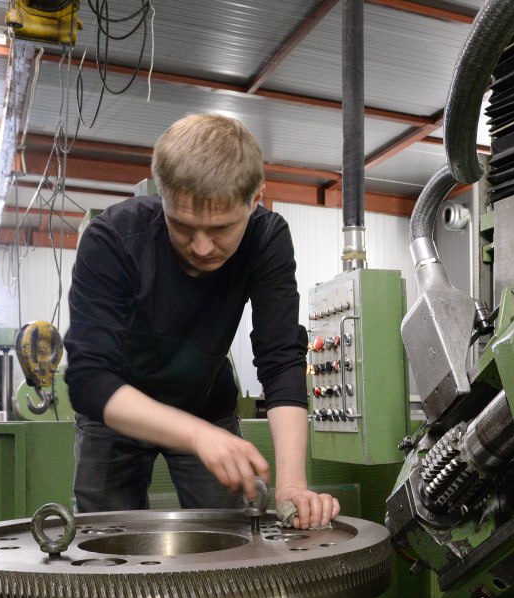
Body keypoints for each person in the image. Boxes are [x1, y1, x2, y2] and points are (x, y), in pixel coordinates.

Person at [64, 113, 339, 528]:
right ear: (162, 194)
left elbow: (281, 357)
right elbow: (90, 379)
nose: (202, 247)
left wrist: (292, 486)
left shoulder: (266, 239)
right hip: (118, 411)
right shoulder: (113, 238)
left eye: (221, 228)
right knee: (106, 542)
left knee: (230, 539)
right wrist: (196, 435)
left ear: (256, 199)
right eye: (182, 226)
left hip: (206, 406)